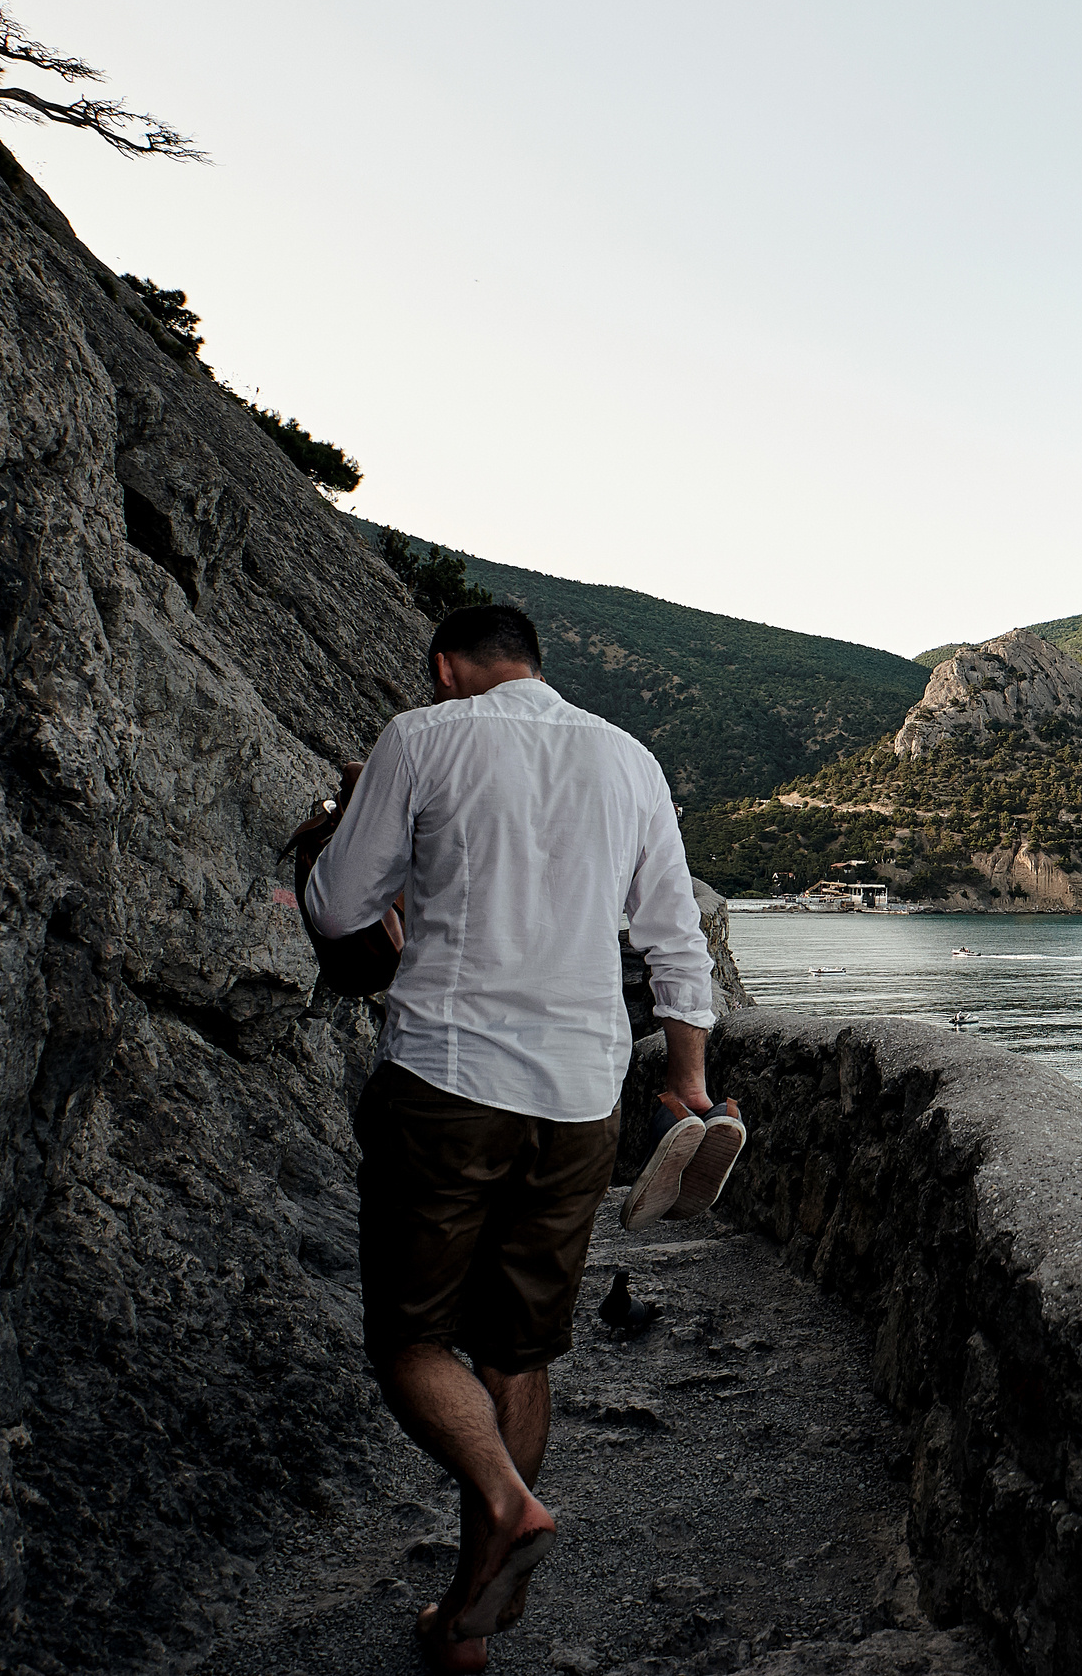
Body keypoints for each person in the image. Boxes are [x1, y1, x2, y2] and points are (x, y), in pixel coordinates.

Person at [304, 604, 745, 1671]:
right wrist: (685, 1076)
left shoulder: (422, 735)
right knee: (519, 1347)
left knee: (409, 1338)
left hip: (449, 1077)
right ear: (535, 665)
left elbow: (335, 906)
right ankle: (467, 1623)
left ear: (449, 667)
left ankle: (509, 1499)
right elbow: (674, 934)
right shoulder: (630, 757)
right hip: (585, 1093)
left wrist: (348, 815)